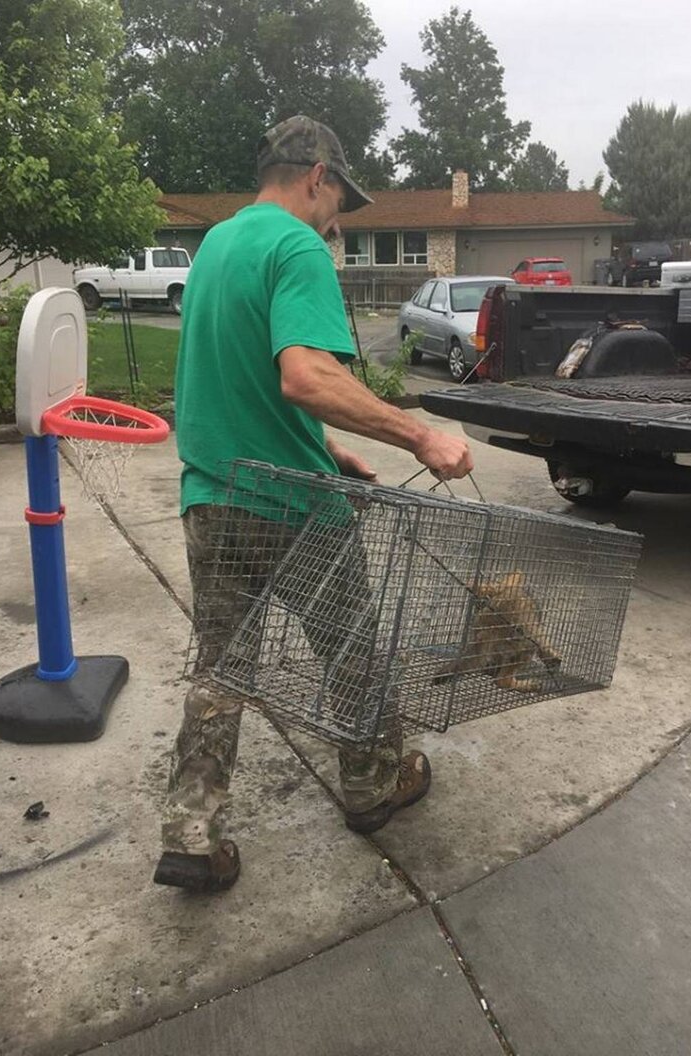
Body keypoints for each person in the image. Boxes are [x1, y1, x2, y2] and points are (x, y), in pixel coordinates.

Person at [153, 115, 473, 893]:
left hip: (213, 497)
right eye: (340, 204)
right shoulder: (297, 246)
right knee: (355, 650)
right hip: (290, 508)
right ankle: (372, 786)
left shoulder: (216, 249)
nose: (338, 224)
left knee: (222, 668)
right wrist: (418, 435)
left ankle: (192, 832)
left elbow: (243, 381)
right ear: (316, 174)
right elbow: (304, 376)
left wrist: (332, 449)